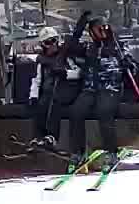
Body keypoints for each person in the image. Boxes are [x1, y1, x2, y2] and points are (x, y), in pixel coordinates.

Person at [66, 14, 130, 161]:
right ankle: (78, 152)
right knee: (76, 112)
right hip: (90, 89)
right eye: (95, 30)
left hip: (110, 88)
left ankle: (111, 151)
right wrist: (79, 27)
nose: (100, 32)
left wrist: (128, 66)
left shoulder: (117, 47)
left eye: (102, 28)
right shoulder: (88, 48)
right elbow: (71, 48)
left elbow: (132, 66)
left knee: (104, 111)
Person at [29, 27, 79, 150]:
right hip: (49, 91)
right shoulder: (42, 61)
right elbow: (37, 80)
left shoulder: (65, 56)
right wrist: (33, 95)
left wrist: (65, 73)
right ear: (43, 45)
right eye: (48, 42)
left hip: (66, 91)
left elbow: (79, 72)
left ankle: (52, 136)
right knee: (41, 103)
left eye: (54, 40)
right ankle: (39, 136)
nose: (52, 45)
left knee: (54, 101)